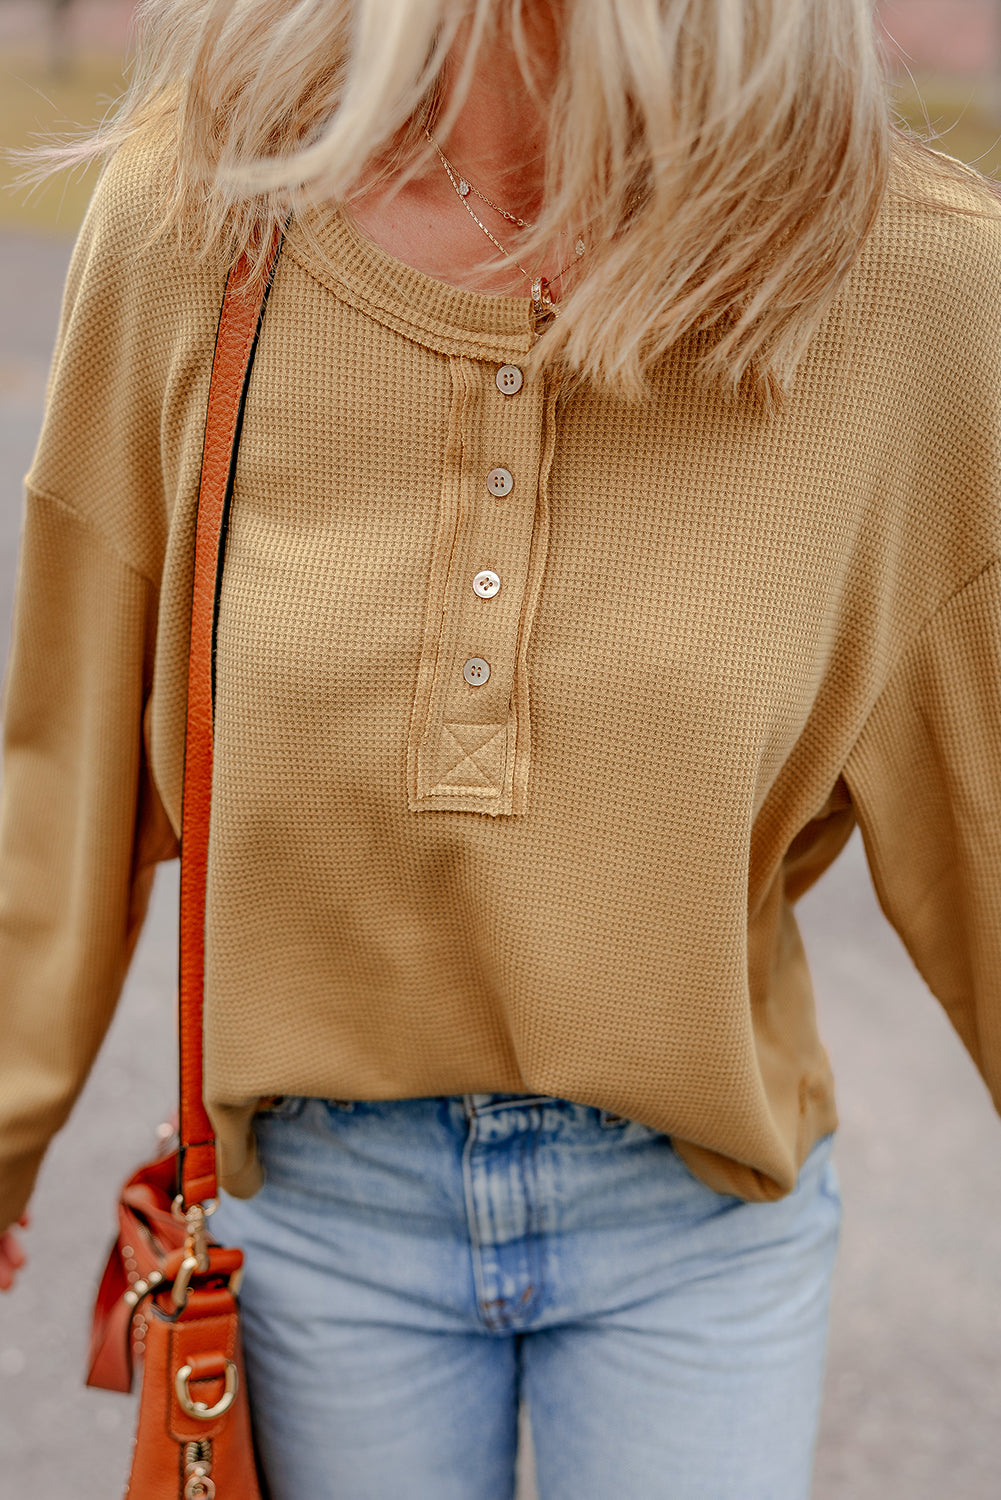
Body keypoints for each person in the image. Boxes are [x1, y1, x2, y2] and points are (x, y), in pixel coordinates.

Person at [1, 1, 999, 1496]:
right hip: (318, 1223)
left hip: (697, 1226)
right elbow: (62, 769)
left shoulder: (910, 283)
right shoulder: (203, 212)